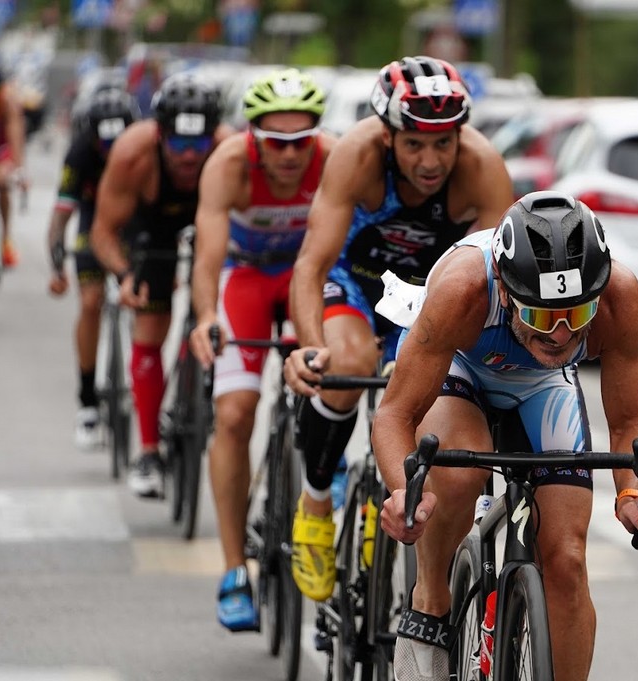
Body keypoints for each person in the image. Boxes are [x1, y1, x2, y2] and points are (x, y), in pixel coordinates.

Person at [371, 191, 638, 681]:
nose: (560, 335)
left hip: (543, 386)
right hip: (463, 368)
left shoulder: (619, 295)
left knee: (567, 561)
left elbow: (629, 422)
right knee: (452, 480)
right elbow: (394, 415)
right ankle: (430, 601)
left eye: (576, 316)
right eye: (540, 316)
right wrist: (401, 494)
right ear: (507, 290)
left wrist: (631, 492)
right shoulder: (463, 290)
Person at [281, 55, 514, 603]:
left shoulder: (482, 169)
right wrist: (311, 348)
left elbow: (498, 288)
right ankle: (316, 500)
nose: (430, 161)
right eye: (414, 144)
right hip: (358, 282)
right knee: (346, 366)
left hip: (433, 303)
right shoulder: (355, 156)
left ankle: (390, 512)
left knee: (431, 403)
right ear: (388, 137)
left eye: (443, 143)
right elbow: (311, 265)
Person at [186, 68, 337, 632]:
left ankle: (325, 467)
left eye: (303, 140)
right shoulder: (227, 165)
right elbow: (207, 255)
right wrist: (205, 318)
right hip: (246, 279)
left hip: (303, 280)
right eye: (277, 142)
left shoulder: (335, 158)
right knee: (234, 413)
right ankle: (233, 570)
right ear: (253, 136)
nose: (292, 154)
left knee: (333, 377)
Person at [91, 72, 230, 499]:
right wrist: (124, 274)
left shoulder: (227, 151)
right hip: (152, 228)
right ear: (160, 135)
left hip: (213, 219)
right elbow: (103, 232)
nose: (190, 157)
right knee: (151, 327)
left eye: (198, 145)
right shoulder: (133, 153)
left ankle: (199, 386)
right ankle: (149, 451)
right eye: (179, 145)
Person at [47, 87, 139, 450]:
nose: (114, 153)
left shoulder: (144, 151)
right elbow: (61, 214)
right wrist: (57, 265)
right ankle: (87, 399)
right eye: (106, 146)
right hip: (91, 221)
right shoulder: (80, 152)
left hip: (132, 223)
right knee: (90, 302)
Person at [0, 66, 28, 267]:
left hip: (1, 146)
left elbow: (15, 135)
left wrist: (20, 169)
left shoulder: (8, 100)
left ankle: (6, 237)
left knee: (2, 180)